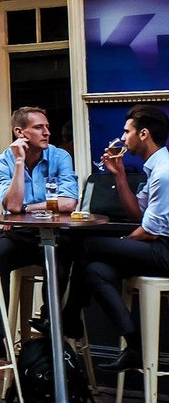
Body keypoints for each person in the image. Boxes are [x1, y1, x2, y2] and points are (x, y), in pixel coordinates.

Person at [62, 105, 169, 371]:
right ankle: (134, 346)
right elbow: (137, 214)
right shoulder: (154, 168)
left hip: (164, 250)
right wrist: (120, 175)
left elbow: (149, 231)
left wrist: (118, 245)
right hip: (155, 246)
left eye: (127, 131)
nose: (123, 137)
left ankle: (69, 317)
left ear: (143, 134)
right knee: (95, 270)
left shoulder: (165, 172)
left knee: (87, 244)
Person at [0, 106, 78, 366]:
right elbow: (11, 205)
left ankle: (48, 319)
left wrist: (27, 208)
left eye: (47, 127)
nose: (47, 132)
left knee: (60, 255)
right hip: (20, 234)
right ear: (20, 133)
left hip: (54, 232)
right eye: (39, 128)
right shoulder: (3, 161)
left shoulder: (60, 157)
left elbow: (69, 203)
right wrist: (20, 162)